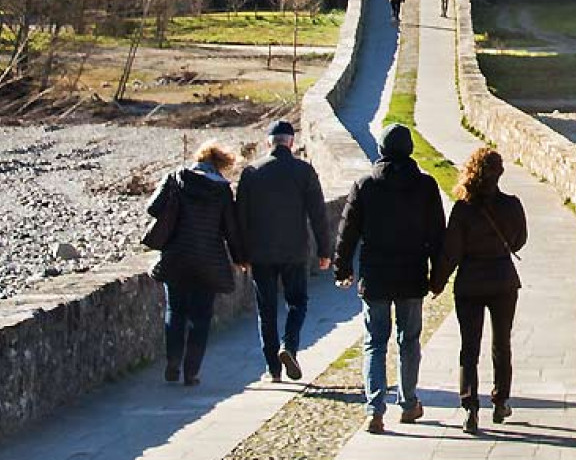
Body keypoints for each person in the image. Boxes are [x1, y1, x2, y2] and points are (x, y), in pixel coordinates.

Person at [334, 125, 445, 434]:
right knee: (409, 341)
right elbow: (437, 235)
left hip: (376, 276)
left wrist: (342, 268)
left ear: (381, 150)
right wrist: (438, 276)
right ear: (409, 150)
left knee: (374, 342)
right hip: (411, 274)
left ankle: (375, 410)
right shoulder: (425, 186)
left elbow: (348, 232)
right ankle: (409, 403)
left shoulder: (366, 185)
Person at [431, 148, 527, 433]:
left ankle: (470, 408)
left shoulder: (463, 209)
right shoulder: (512, 205)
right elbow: (520, 241)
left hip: (470, 282)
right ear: (500, 173)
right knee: (502, 343)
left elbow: (451, 252)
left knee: (469, 347)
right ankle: (500, 401)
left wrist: (437, 283)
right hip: (503, 280)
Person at [236, 119, 332, 383]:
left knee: (266, 309)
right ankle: (288, 346)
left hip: (260, 253)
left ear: (269, 142)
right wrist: (325, 250)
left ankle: (273, 369)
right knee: (297, 303)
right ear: (291, 142)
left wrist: (240, 254)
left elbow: (240, 218)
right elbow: (318, 215)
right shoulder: (304, 171)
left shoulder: (251, 172)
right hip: (295, 251)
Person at [146, 141, 246, 386]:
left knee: (175, 311)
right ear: (221, 164)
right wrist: (240, 258)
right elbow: (230, 229)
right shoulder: (222, 190)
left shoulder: (175, 178)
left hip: (175, 257)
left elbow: (153, 208)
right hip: (208, 261)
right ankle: (191, 372)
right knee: (201, 317)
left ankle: (172, 361)